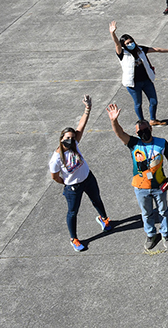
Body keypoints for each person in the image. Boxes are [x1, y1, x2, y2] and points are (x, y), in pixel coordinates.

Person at [106, 102, 168, 250]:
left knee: (163, 211)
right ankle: (151, 234)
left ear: (151, 128)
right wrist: (114, 121)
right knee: (146, 213)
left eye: (145, 129)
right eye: (140, 132)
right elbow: (120, 133)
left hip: (160, 184)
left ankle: (166, 233)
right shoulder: (134, 143)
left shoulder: (161, 143)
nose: (143, 133)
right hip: (141, 186)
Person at [49, 95, 112, 252]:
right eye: (67, 138)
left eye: (72, 138)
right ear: (61, 139)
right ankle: (74, 238)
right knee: (73, 212)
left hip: (88, 178)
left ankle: (104, 219)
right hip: (73, 188)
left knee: (96, 199)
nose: (70, 141)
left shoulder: (75, 144)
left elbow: (82, 125)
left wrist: (87, 109)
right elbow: (55, 176)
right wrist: (65, 183)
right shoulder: (56, 158)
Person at [110, 21, 168, 126]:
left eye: (131, 41)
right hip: (133, 84)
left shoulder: (140, 49)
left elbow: (156, 49)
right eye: (127, 43)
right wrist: (113, 33)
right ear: (124, 45)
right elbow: (117, 44)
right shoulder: (122, 53)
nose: (130, 44)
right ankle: (142, 123)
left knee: (154, 101)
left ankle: (153, 120)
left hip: (146, 80)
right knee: (138, 104)